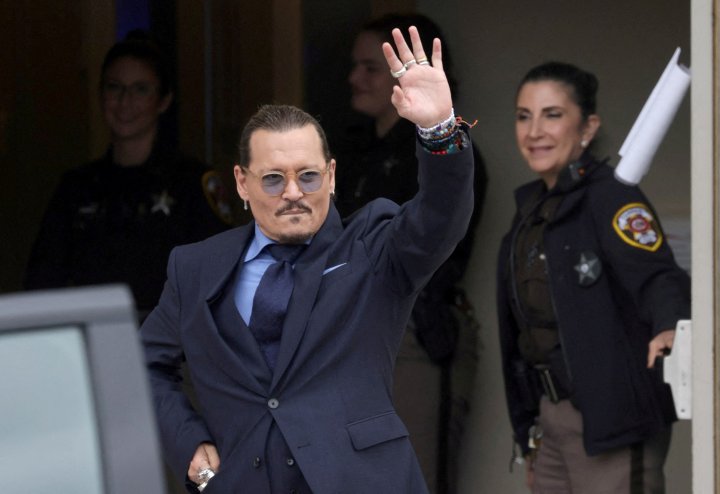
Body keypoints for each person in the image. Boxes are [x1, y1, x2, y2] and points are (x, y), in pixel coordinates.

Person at [140, 25, 474, 493]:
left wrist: (439, 130)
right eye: (273, 179)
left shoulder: (373, 248)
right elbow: (144, 365)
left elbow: (441, 217)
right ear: (241, 183)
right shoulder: (195, 266)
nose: (293, 193)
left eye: (309, 176)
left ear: (332, 176)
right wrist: (189, 444)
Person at [496, 61, 690, 494]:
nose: (534, 131)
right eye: (524, 116)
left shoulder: (611, 197)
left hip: (612, 417)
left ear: (587, 127)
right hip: (548, 419)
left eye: (552, 114)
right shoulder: (530, 212)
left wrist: (668, 326)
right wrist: (527, 429)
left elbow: (659, 274)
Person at [331, 13, 487, 493]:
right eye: (355, 66)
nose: (356, 78)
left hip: (414, 332)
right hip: (341, 333)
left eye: (371, 68)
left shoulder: (447, 150)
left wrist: (437, 128)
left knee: (409, 475)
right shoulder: (346, 150)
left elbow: (439, 224)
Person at [24, 32, 230, 319]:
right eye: (114, 87)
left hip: (172, 351)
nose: (125, 101)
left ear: (163, 100)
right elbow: (41, 283)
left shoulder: (191, 183)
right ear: (100, 94)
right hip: (94, 344)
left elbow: (221, 284)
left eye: (141, 89)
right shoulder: (76, 187)